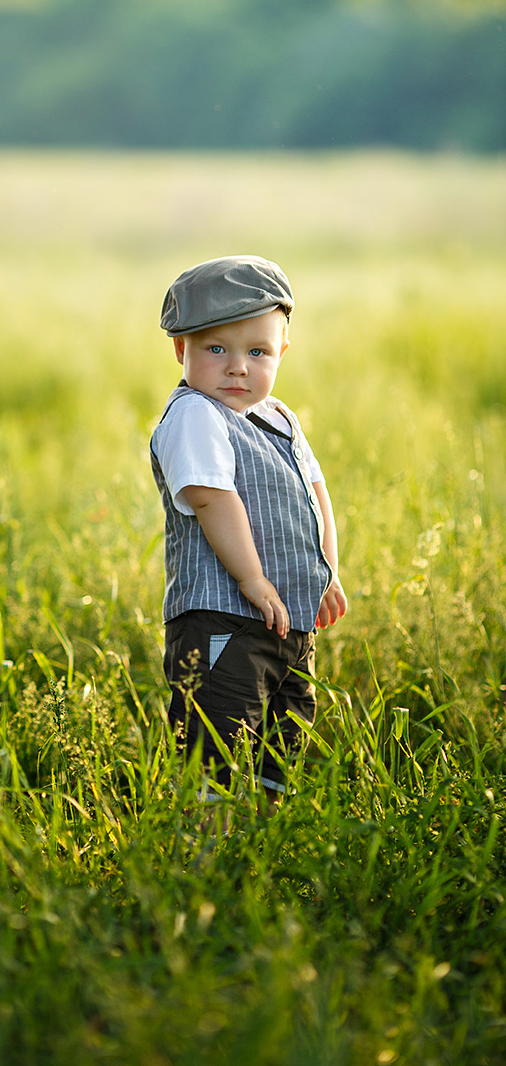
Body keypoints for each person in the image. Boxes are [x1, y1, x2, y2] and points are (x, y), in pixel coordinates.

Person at [150, 254, 347, 800]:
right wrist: (253, 579)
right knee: (213, 748)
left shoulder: (279, 418)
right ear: (180, 349)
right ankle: (202, 859)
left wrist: (326, 573)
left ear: (282, 352)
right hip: (224, 620)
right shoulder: (195, 416)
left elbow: (316, 493)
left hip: (288, 626)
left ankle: (259, 853)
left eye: (257, 352)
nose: (238, 367)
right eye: (216, 349)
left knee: (280, 751)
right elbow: (214, 500)